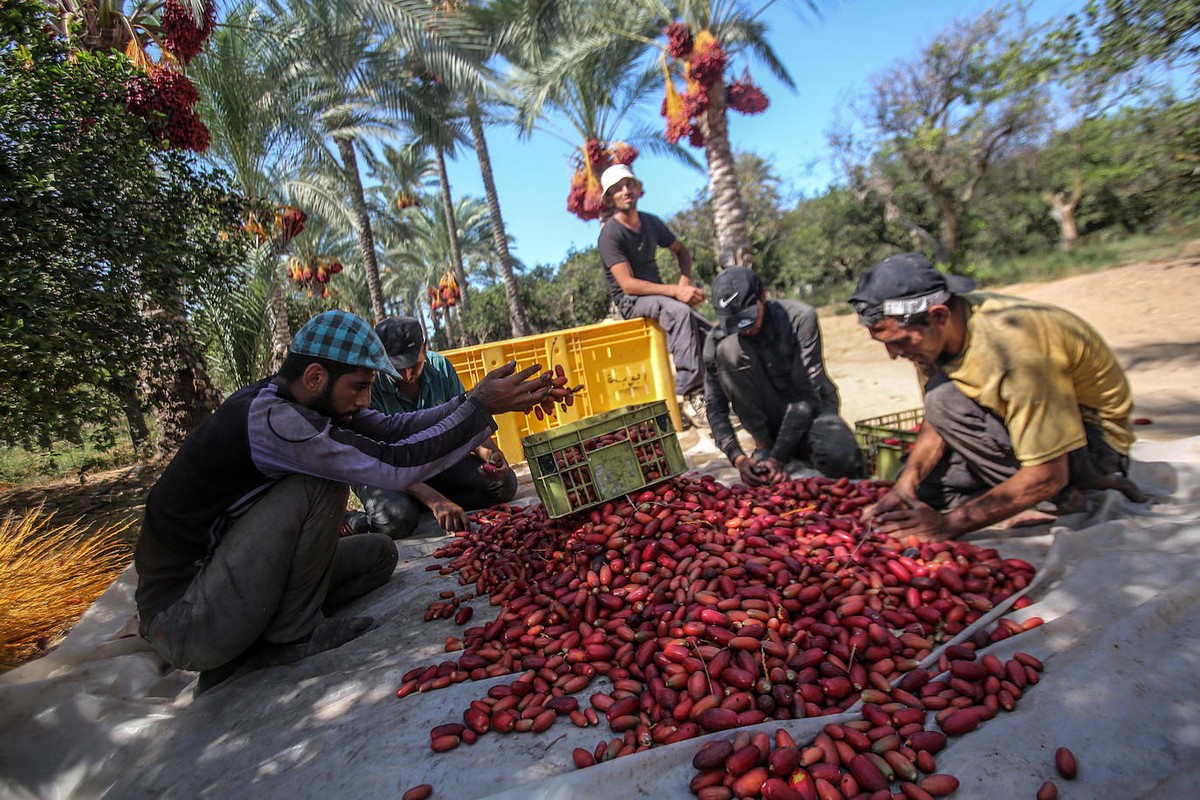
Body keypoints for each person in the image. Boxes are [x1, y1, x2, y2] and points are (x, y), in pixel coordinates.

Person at [134, 310, 552, 693]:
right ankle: (293, 636)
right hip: (187, 621)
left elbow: (392, 430)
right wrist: (479, 409)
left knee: (378, 554)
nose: (365, 400)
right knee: (321, 481)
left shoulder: (305, 402)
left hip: (224, 589)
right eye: (359, 388)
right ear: (316, 377)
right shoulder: (275, 419)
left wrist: (474, 400)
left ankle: (268, 627)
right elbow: (396, 464)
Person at [848, 252, 1145, 541]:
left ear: (939, 315)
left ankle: (1066, 495)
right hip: (1013, 427)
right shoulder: (935, 339)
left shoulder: (1015, 351)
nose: (892, 355)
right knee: (927, 490)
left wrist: (949, 524)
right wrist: (905, 485)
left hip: (1091, 444)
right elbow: (936, 421)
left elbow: (1048, 472)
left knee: (944, 407)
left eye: (898, 342)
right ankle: (1025, 494)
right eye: (884, 344)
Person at [347, 316, 516, 537]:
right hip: (385, 469)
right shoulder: (371, 384)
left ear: (424, 348)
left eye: (413, 365)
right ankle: (356, 521)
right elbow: (382, 459)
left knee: (504, 484)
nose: (406, 375)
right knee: (395, 519)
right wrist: (435, 500)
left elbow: (467, 421)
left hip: (433, 462)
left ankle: (419, 506)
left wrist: (491, 454)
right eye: (396, 368)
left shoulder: (440, 368)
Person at [703, 267, 861, 486]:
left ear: (763, 296)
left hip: (813, 409)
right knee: (729, 350)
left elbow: (807, 393)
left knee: (842, 458)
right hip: (767, 423)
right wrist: (737, 456)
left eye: (749, 319)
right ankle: (764, 445)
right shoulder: (716, 341)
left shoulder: (799, 319)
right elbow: (714, 404)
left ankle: (787, 449)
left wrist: (778, 457)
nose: (746, 330)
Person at [596, 163, 712, 428]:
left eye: (629, 185)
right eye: (617, 188)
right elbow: (628, 285)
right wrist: (677, 292)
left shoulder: (650, 222)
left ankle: (719, 393)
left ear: (638, 188)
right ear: (610, 198)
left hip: (660, 296)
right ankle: (691, 394)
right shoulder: (610, 235)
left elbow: (682, 251)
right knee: (680, 312)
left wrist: (684, 283)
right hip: (632, 302)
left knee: (710, 331)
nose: (625, 191)